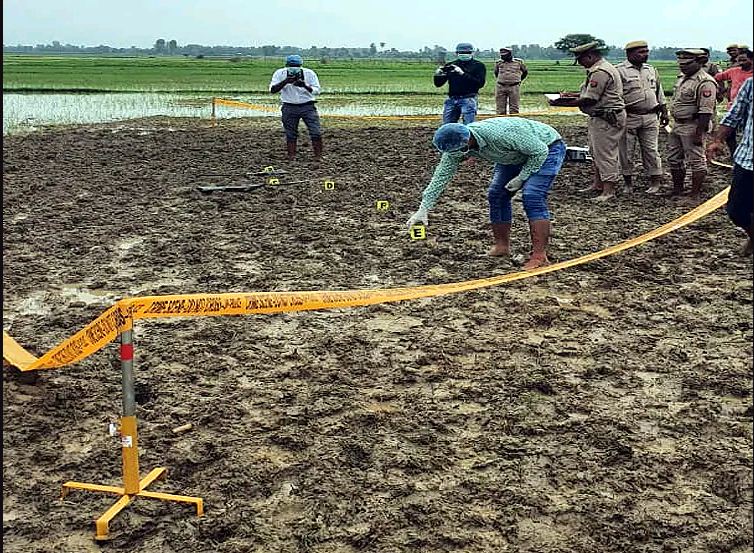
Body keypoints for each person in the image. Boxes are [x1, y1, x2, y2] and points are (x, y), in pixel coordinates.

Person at [405, 118, 566, 269]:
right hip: (512, 155)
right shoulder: (457, 148)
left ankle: (539, 256)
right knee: (496, 195)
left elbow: (539, 151)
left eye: (460, 151)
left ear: (468, 140)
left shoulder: (500, 135)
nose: (458, 156)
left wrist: (522, 177)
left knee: (532, 196)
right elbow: (441, 176)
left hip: (547, 147)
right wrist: (424, 208)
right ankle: (502, 246)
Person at [549, 41, 625, 201]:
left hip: (606, 117)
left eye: (581, 60)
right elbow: (588, 93)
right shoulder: (599, 69)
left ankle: (608, 190)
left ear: (590, 56)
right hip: (600, 116)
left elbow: (590, 98)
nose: (580, 64)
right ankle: (598, 184)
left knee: (606, 153)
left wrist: (562, 103)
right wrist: (571, 96)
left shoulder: (600, 71)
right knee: (596, 152)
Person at [706, 77, 753, 256]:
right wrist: (717, 140)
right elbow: (734, 115)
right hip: (748, 159)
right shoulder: (750, 84)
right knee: (736, 210)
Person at [616, 40, 669, 195]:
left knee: (651, 150)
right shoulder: (619, 71)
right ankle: (628, 183)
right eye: (641, 52)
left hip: (651, 116)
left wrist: (664, 111)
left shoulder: (651, 69)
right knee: (626, 151)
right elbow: (615, 95)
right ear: (630, 54)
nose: (645, 55)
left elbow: (659, 92)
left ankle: (655, 182)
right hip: (629, 116)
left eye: (646, 51)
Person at [667, 49, 718, 200]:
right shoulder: (683, 78)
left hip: (693, 125)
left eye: (687, 63)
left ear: (700, 62)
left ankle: (694, 195)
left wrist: (698, 133)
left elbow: (706, 111)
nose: (683, 66)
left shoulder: (705, 82)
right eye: (680, 63)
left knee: (696, 161)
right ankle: (677, 190)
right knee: (674, 158)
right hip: (677, 124)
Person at [269, 54, 323, 161]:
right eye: (291, 66)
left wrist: (304, 85)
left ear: (301, 65)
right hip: (289, 107)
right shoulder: (280, 73)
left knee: (315, 131)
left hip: (307, 106)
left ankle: (318, 156)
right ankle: (291, 156)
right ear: (286, 65)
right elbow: (272, 90)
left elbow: (317, 90)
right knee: (290, 133)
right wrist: (285, 81)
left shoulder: (309, 73)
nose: (294, 68)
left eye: (296, 66)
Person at [433, 43, 487, 124]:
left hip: (468, 98)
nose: (464, 55)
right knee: (447, 125)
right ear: (456, 53)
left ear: (472, 53)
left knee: (468, 125)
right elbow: (438, 84)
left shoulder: (479, 66)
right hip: (452, 99)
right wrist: (438, 74)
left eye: (467, 53)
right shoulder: (451, 65)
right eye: (461, 53)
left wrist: (462, 74)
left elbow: (480, 84)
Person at [714, 49, 753, 154]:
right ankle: (734, 154)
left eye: (744, 60)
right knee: (729, 133)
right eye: (739, 60)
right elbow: (716, 78)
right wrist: (719, 90)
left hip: (749, 110)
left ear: (751, 59)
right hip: (734, 107)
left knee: (747, 133)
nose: (741, 63)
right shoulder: (733, 71)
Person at [494, 47, 528, 115]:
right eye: (501, 55)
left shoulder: (518, 62)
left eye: (505, 55)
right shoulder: (499, 63)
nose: (503, 56)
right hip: (501, 86)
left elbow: (525, 72)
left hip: (514, 86)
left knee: (514, 108)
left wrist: (519, 80)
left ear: (509, 54)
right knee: (500, 109)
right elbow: (496, 73)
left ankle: (513, 123)